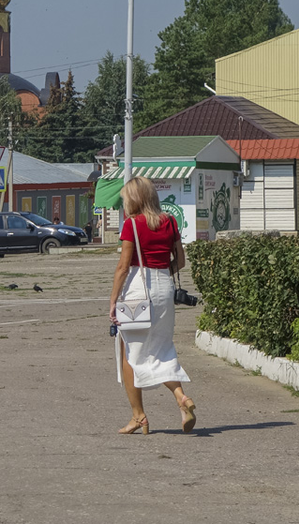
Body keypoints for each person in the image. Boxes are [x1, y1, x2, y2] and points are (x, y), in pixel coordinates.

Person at [108, 176, 196, 435]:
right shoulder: (169, 221)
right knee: (162, 348)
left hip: (137, 287)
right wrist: (160, 276)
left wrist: (113, 301)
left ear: (133, 199)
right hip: (164, 288)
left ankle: (139, 417)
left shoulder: (131, 225)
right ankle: (181, 397)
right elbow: (180, 261)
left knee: (129, 353)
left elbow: (124, 267)